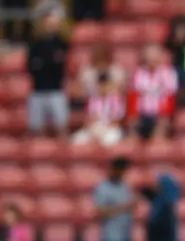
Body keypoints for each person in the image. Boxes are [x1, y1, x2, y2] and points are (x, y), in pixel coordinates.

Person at [26, 8, 69, 139]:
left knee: (62, 126)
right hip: (38, 90)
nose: (51, 26)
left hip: (56, 89)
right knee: (37, 129)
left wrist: (45, 64)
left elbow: (58, 65)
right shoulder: (35, 45)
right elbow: (32, 67)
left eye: (54, 23)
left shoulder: (62, 43)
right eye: (48, 23)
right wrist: (49, 63)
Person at [127, 44, 178, 141]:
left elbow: (170, 95)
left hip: (160, 115)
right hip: (141, 114)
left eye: (154, 58)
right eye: (149, 59)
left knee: (158, 138)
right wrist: (133, 116)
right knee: (132, 137)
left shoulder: (168, 72)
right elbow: (133, 94)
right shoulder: (139, 73)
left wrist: (164, 117)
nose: (152, 62)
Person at [71, 74, 125, 146]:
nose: (104, 88)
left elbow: (118, 120)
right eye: (101, 85)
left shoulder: (116, 99)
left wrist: (105, 126)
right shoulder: (93, 99)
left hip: (110, 128)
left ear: (110, 85)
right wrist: (93, 128)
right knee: (76, 139)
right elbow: (89, 118)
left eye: (106, 85)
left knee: (107, 141)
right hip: (95, 128)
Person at [94, 157, 135, 241]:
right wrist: (123, 207)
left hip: (126, 234)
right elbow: (100, 212)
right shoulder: (103, 188)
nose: (122, 173)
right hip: (111, 236)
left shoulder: (125, 186)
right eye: (120, 169)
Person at [140, 173, 181, 241]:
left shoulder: (166, 201)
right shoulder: (158, 199)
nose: (157, 186)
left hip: (164, 236)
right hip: (158, 236)